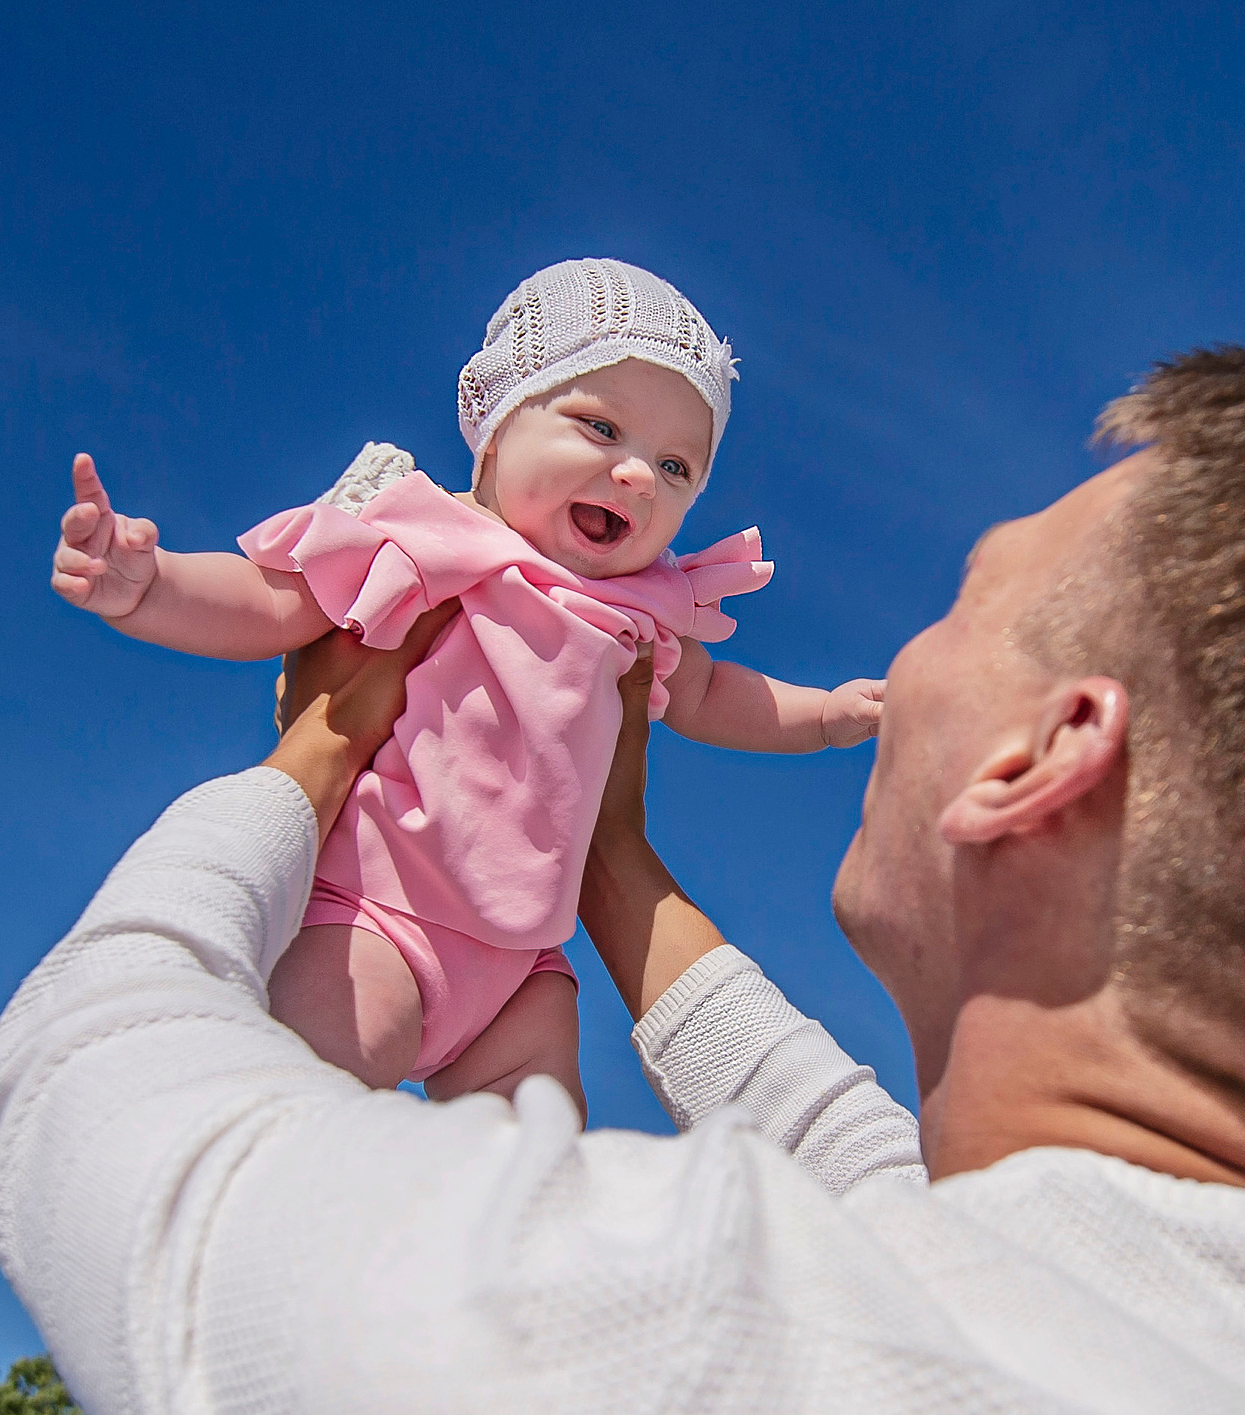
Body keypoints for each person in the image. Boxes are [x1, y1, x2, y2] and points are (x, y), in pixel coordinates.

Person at [0, 348, 1245, 1415]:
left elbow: (82, 1077)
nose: (901, 660)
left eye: (962, 603)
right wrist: (616, 868)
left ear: (1046, 755)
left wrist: (323, 746)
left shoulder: (641, 1377)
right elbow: (936, 1221)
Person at [45, 258, 884, 1111]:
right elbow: (279, 602)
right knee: (306, 1101)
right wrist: (151, 588)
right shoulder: (432, 537)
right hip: (375, 908)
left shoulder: (642, 611)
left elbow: (712, 696)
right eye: (601, 427)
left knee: (535, 1150)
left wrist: (824, 714)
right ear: (497, 424)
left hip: (522, 967)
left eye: (676, 468)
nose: (638, 474)